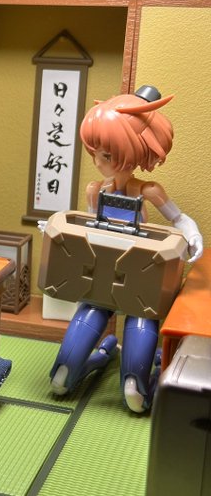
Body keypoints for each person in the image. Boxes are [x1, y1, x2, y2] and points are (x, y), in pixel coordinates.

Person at [47, 85, 203, 413]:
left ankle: (134, 379)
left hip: (138, 277)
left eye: (107, 155)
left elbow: (179, 219)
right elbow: (89, 228)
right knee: (65, 370)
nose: (98, 162)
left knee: (137, 343)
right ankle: (96, 362)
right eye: (95, 152)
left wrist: (192, 235)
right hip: (101, 275)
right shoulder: (95, 190)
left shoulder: (147, 190)